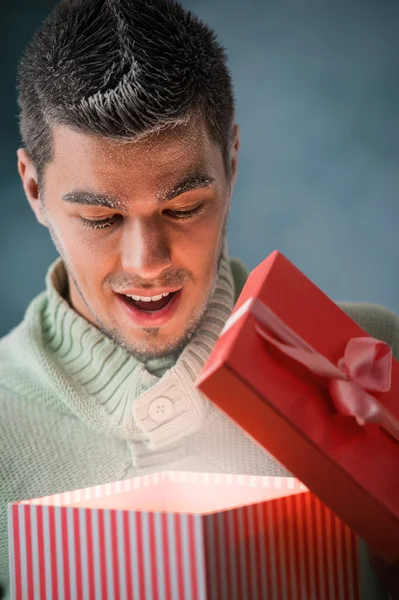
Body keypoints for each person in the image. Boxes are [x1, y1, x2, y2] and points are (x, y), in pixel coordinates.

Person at [0, 0, 398, 597]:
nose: (147, 263)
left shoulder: (370, 353)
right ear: (34, 188)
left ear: (232, 160)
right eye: (100, 218)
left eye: (184, 208)